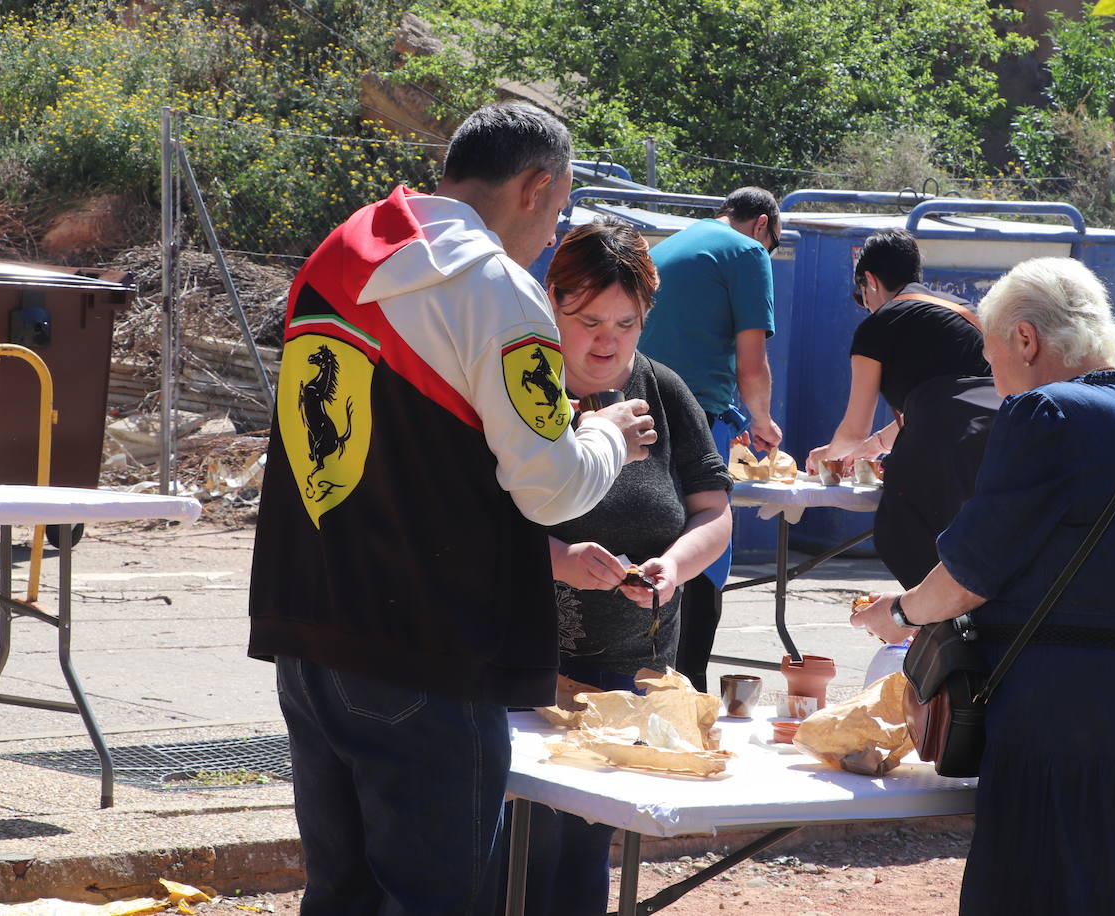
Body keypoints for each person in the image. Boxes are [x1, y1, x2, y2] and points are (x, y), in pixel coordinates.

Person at [247, 101, 658, 915]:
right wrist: (607, 434)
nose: (553, 236)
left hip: (309, 629)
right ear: (538, 187)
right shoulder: (496, 289)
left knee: (340, 896)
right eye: (562, 207)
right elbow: (550, 488)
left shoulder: (340, 251)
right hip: (426, 649)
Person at [850, 257, 1115, 915]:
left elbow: (970, 574)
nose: (993, 380)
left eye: (990, 358)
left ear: (1026, 341)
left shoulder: (1046, 413)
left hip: (1061, 736)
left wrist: (899, 611)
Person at [493, 218, 733, 916]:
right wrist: (559, 560)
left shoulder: (664, 389)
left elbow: (715, 513)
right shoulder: (520, 387)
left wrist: (674, 565)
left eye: (627, 323)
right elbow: (469, 523)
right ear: (552, 303)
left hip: (628, 682)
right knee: (517, 862)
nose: (609, 341)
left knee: (583, 866)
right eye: (590, 319)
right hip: (524, 681)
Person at [638, 186, 784, 690]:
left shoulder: (669, 246)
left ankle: (643, 680)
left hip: (634, 413)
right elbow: (752, 362)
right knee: (703, 542)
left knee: (648, 541)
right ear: (763, 225)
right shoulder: (747, 251)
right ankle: (691, 684)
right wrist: (763, 421)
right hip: (693, 419)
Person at [805, 228, 998, 588]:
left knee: (920, 558)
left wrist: (827, 456)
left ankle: (932, 634)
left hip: (941, 462)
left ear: (871, 282)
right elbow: (952, 398)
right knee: (985, 567)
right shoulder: (968, 316)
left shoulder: (879, 325)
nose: (865, 305)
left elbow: (853, 429)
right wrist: (879, 444)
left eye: (861, 295)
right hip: (1000, 451)